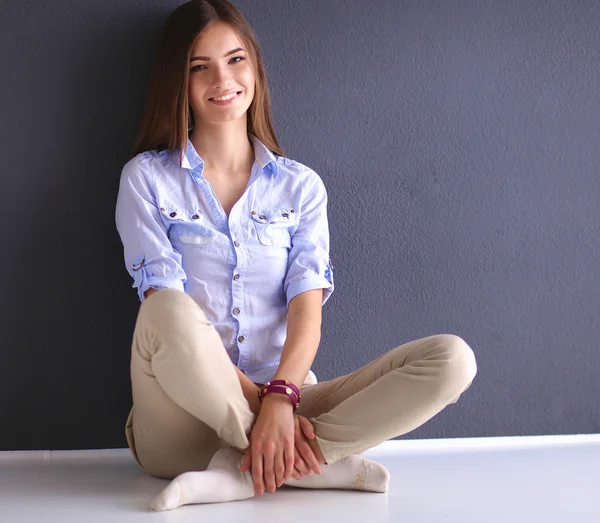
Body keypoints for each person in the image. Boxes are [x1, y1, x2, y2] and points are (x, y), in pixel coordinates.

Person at [115, 0, 478, 512]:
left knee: (451, 360)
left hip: (285, 398)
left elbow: (308, 309)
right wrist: (264, 410)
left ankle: (246, 469)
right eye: (200, 66)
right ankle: (299, 461)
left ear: (256, 68)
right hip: (179, 420)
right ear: (178, 80)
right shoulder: (146, 180)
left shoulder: (300, 187)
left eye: (235, 59)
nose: (223, 78)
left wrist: (283, 398)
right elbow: (163, 307)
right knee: (166, 309)